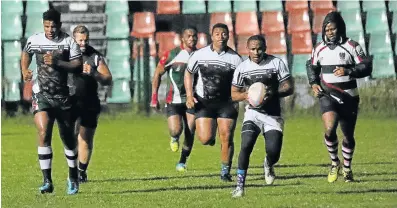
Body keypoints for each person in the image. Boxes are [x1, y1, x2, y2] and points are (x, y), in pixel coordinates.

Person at [21, 9, 83, 194]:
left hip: (64, 96)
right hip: (42, 95)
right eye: (47, 26)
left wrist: (58, 63)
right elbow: (26, 53)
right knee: (43, 132)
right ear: (43, 25)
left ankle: (73, 176)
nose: (50, 29)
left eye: (53, 26)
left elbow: (77, 65)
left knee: (68, 139)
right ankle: (47, 181)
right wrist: (25, 70)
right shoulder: (35, 40)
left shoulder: (68, 42)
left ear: (59, 25)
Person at [306, 12, 372, 183]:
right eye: (327, 29)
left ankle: (347, 168)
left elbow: (366, 66)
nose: (330, 32)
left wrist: (349, 71)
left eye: (333, 28)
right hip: (327, 95)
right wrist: (313, 83)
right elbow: (311, 66)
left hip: (349, 96)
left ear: (340, 28)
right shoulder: (319, 48)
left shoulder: (352, 46)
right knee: (329, 128)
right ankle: (335, 162)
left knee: (348, 135)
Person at [230, 35, 294, 197]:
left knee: (273, 152)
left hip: (273, 115)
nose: (256, 52)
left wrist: (273, 93)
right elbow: (234, 94)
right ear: (247, 49)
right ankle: (240, 186)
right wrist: (248, 96)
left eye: (259, 48)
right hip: (252, 114)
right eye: (253, 49)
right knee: (246, 145)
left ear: (265, 48)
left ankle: (268, 163)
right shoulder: (242, 68)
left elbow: (289, 87)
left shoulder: (276, 63)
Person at [185, 23, 243, 181]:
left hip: (227, 103)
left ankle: (225, 172)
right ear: (212, 36)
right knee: (204, 139)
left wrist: (241, 97)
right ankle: (210, 136)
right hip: (205, 102)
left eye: (224, 34)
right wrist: (189, 96)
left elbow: (241, 82)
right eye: (217, 34)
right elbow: (189, 73)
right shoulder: (200, 55)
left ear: (228, 36)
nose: (221, 37)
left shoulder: (236, 59)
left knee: (227, 137)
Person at [150, 26, 198, 172]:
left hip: (192, 100)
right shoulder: (172, 55)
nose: (192, 39)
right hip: (174, 100)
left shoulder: (200, 55)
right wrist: (154, 97)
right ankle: (175, 137)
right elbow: (158, 74)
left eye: (194, 36)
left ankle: (182, 161)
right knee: (175, 130)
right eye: (188, 36)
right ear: (182, 38)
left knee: (190, 131)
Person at [71, 25, 112, 182]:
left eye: (86, 40)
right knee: (72, 136)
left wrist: (94, 73)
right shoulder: (65, 55)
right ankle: (72, 169)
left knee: (86, 138)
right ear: (73, 40)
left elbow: (108, 79)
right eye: (80, 40)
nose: (83, 43)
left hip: (90, 102)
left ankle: (82, 171)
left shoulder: (95, 57)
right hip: (72, 102)